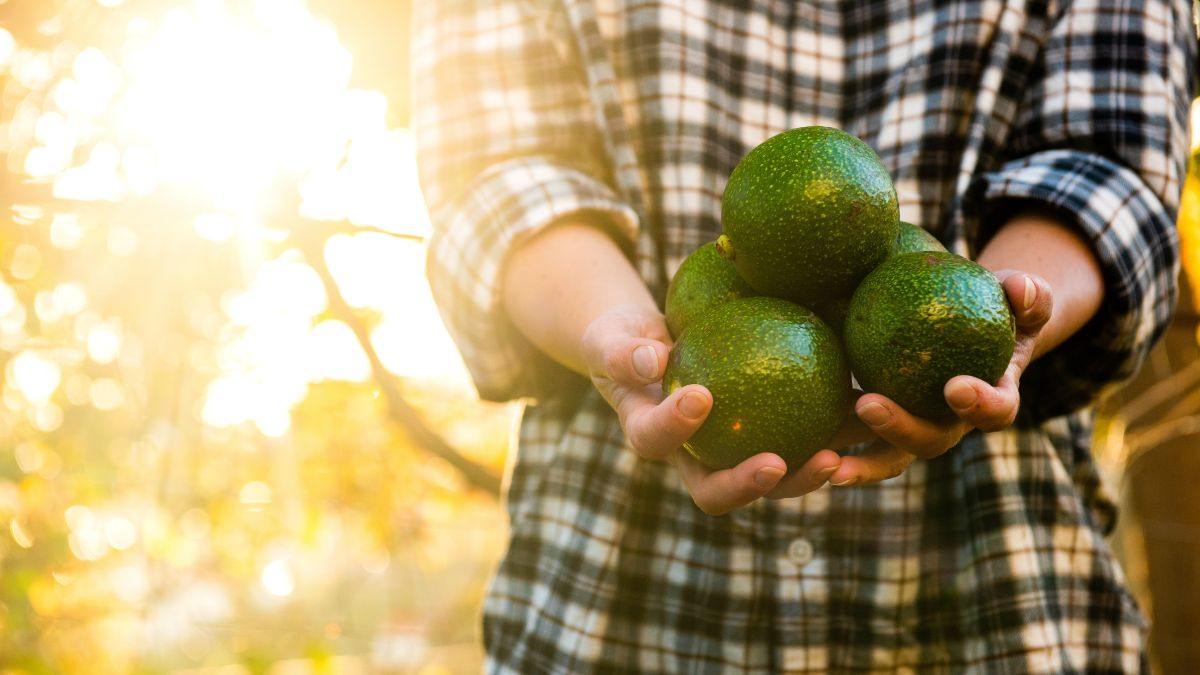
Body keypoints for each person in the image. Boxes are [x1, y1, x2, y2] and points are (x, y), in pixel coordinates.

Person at [412, 0, 1195, 671]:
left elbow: (1108, 161)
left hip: (1005, 598)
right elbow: (499, 172)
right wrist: (617, 337)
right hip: (612, 604)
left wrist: (1001, 318)